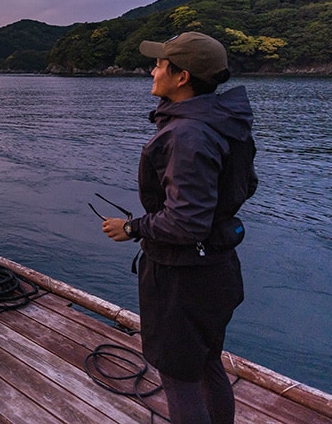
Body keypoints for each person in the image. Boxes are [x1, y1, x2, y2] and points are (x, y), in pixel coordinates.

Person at [102, 31, 257, 424]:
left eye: (159, 65)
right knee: (206, 364)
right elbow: (245, 185)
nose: (152, 71)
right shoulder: (224, 122)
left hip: (183, 280)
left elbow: (186, 222)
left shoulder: (187, 134)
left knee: (179, 380)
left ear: (182, 76)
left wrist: (132, 227)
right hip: (218, 267)